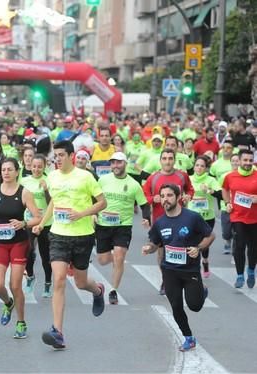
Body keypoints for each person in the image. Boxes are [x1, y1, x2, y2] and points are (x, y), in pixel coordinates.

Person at [32, 140, 107, 349]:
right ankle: (58, 332)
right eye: (55, 155)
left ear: (71, 156)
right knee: (59, 280)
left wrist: (81, 214)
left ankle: (97, 291)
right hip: (58, 234)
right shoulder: (53, 176)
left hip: (83, 235)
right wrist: (41, 223)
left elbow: (102, 203)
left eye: (61, 155)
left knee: (81, 283)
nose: (57, 159)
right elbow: (53, 203)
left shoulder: (85, 177)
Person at [143, 184, 215, 351]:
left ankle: (201, 291)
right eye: (162, 196)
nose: (165, 199)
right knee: (176, 305)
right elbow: (155, 243)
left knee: (195, 306)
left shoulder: (192, 218)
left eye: (169, 195)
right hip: (169, 270)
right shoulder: (160, 222)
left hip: (190, 270)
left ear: (178, 197)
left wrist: (198, 248)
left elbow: (210, 235)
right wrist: (149, 248)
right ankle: (188, 337)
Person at [0, 158, 42, 339]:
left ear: (17, 172)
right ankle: (8, 303)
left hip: (18, 243)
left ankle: (21, 322)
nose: (6, 173)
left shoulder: (25, 193)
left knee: (15, 285)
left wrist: (23, 223)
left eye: (10, 170)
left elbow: (38, 217)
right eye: (3, 170)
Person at [95, 152, 150, 304]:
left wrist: (147, 218)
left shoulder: (133, 184)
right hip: (103, 224)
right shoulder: (103, 180)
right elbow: (94, 198)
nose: (116, 165)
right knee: (103, 260)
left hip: (123, 225)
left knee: (119, 256)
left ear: (125, 164)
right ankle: (116, 259)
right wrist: (92, 213)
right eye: (113, 163)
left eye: (119, 162)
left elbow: (144, 204)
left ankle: (113, 290)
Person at [143, 148, 195, 295]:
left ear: (174, 160)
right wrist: (153, 199)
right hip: (160, 220)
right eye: (164, 158)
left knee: (180, 250)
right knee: (161, 253)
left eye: (170, 158)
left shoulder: (182, 176)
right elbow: (143, 195)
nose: (167, 161)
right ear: (160, 161)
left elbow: (190, 190)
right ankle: (166, 280)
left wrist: (188, 197)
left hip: (181, 219)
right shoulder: (153, 178)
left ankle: (181, 278)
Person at [222, 149, 257, 289]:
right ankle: (240, 275)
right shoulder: (230, 176)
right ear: (239, 161)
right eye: (245, 160)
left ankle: (251, 271)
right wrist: (227, 203)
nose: (248, 163)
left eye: (250, 160)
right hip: (237, 217)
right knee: (239, 246)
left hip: (254, 218)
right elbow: (224, 189)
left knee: (253, 248)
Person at [20, 154, 53, 298]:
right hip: (29, 221)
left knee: (46, 255)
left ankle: (47, 283)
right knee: (28, 250)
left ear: (44, 166)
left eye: (40, 166)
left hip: (46, 222)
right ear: (30, 166)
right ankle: (31, 276)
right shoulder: (24, 181)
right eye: (34, 166)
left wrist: (46, 189)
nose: (36, 169)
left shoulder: (49, 179)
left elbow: (52, 202)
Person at [187, 156, 222, 278]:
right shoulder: (189, 179)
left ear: (206, 168)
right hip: (191, 216)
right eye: (197, 165)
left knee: (204, 243)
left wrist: (210, 191)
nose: (199, 168)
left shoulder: (210, 180)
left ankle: (205, 261)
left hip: (207, 217)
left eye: (202, 166)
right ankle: (193, 267)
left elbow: (221, 194)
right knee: (192, 241)